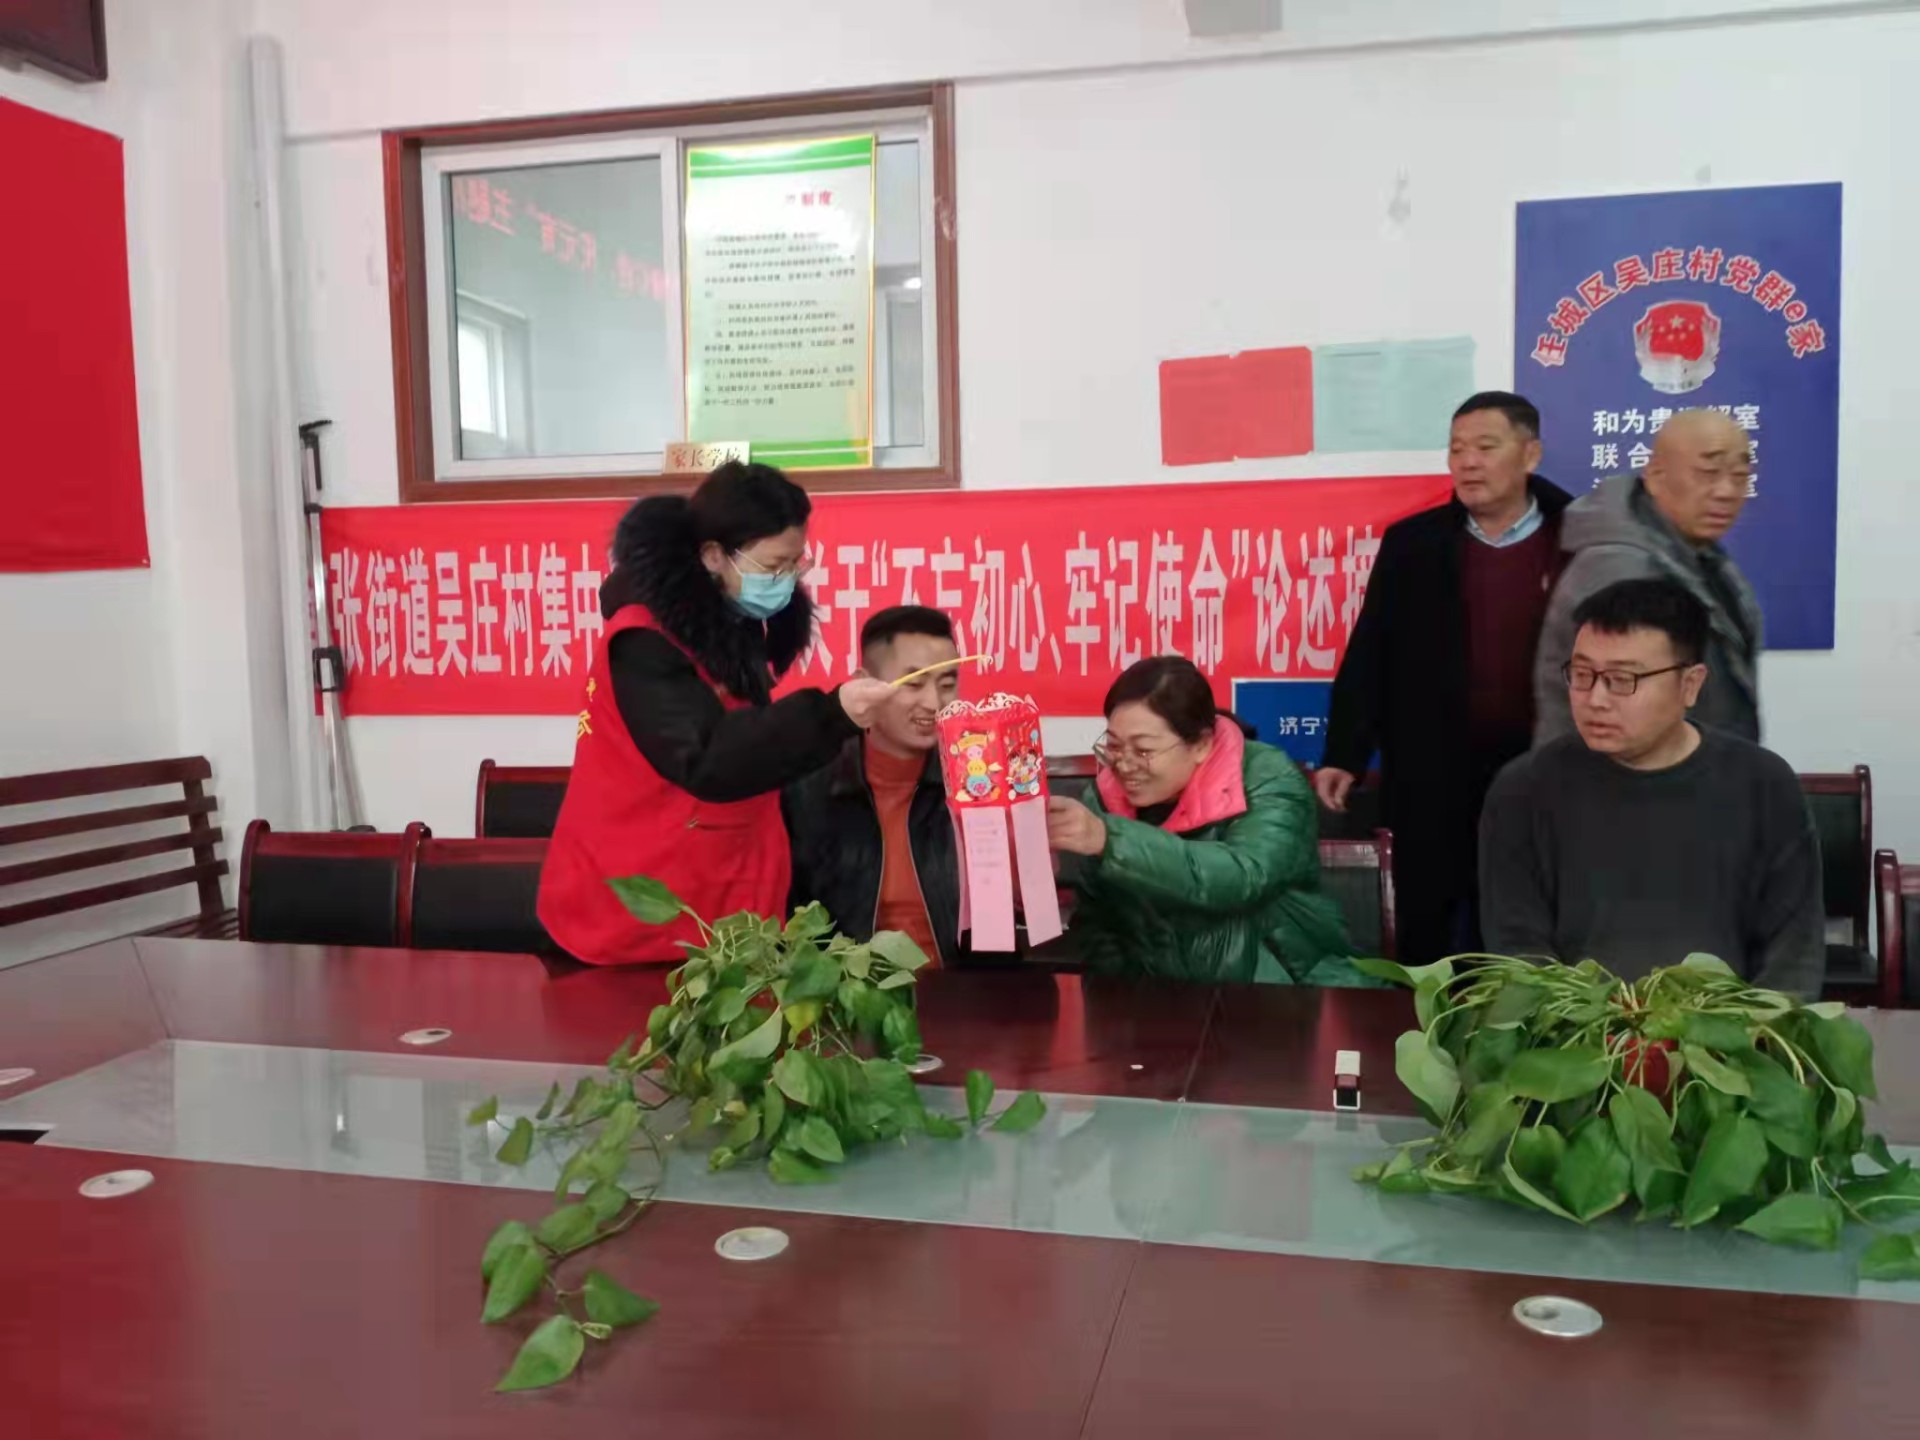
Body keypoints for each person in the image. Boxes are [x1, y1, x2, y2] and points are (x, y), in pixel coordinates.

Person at [537, 462, 893, 965]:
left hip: (721, 881)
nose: (788, 579)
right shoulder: (643, 642)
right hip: (642, 901)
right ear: (713, 556)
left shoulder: (732, 618)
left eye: (797, 563)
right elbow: (708, 758)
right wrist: (831, 714)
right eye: (775, 566)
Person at [1316, 391, 1573, 962]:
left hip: (1543, 774)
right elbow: (1371, 652)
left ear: (1530, 454)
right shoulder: (1414, 544)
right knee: (1424, 934)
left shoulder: (1580, 540)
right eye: (1457, 449)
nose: (1468, 462)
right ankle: (1421, 1020)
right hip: (1431, 774)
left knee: (1526, 931)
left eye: (1486, 447)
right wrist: (1344, 753)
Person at [1480, 578, 1822, 995]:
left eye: (1622, 679)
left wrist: (1754, 1027)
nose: (1596, 699)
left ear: (1690, 684)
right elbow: (1518, 950)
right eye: (1583, 674)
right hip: (1574, 1028)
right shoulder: (1523, 790)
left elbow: (1793, 954)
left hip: (1728, 1027)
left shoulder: (1764, 784)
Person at [1045, 655, 1364, 985]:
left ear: (1201, 745)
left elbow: (1243, 877)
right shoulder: (1103, 797)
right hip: (1158, 999)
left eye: (1143, 751)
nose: (1123, 765)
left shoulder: (1268, 779)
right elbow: (1100, 920)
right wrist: (1115, 997)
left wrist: (1111, 840)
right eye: (1113, 746)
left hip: (1281, 991)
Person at [1535, 408, 1761, 745]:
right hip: (1623, 776)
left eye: (1740, 475)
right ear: (1654, 476)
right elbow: (1611, 718)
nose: (1726, 491)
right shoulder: (1620, 571)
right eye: (1708, 472)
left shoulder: (1702, 558)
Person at [783, 605, 963, 965]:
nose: (934, 703)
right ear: (864, 684)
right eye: (914, 684)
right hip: (847, 990)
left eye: (947, 685)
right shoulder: (807, 791)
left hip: (957, 992)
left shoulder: (975, 783)